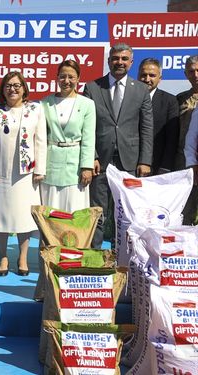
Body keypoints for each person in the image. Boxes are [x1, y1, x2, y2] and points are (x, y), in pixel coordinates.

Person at [83, 43, 154, 248]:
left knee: (124, 212)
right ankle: (94, 255)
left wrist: (145, 160)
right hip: (100, 161)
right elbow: (87, 127)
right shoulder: (93, 87)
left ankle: (119, 254)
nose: (119, 62)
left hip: (130, 161)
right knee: (97, 211)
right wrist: (92, 156)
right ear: (108, 61)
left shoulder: (141, 89)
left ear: (131, 62)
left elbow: (146, 128)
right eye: (115, 58)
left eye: (124, 59)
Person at [0, 71, 46, 277]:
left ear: (24, 88)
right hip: (1, 173)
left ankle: (23, 257)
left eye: (17, 85)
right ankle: (3, 257)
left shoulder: (35, 109)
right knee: (1, 217)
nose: (13, 89)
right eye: (9, 85)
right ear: (2, 89)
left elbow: (41, 141)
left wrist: (40, 169)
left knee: (23, 217)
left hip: (26, 174)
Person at [40, 60, 96, 212]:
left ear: (78, 79)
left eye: (71, 77)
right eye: (63, 76)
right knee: (50, 213)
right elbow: (39, 137)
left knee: (73, 213)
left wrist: (86, 167)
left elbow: (89, 139)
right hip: (50, 165)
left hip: (75, 169)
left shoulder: (87, 104)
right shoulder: (44, 103)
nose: (66, 81)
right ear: (57, 78)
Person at [137, 58, 179, 175]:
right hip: (128, 165)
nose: (147, 79)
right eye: (143, 75)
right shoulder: (128, 98)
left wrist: (165, 167)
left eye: (152, 75)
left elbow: (172, 138)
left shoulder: (169, 101)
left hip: (157, 166)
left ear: (159, 78)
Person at [176, 55, 198, 225]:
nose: (195, 74)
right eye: (191, 71)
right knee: (184, 211)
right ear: (186, 74)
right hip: (182, 163)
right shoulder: (179, 99)